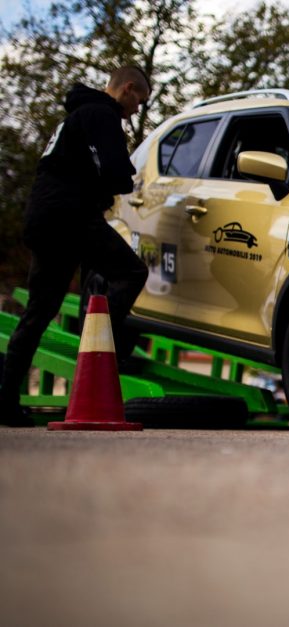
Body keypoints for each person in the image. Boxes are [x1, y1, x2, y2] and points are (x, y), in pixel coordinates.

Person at [0, 66, 151, 427]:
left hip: (44, 215)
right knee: (131, 271)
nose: (136, 111)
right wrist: (125, 180)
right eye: (138, 102)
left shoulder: (74, 116)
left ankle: (4, 400)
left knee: (39, 311)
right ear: (126, 89)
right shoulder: (103, 114)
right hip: (72, 216)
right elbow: (117, 172)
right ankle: (102, 347)